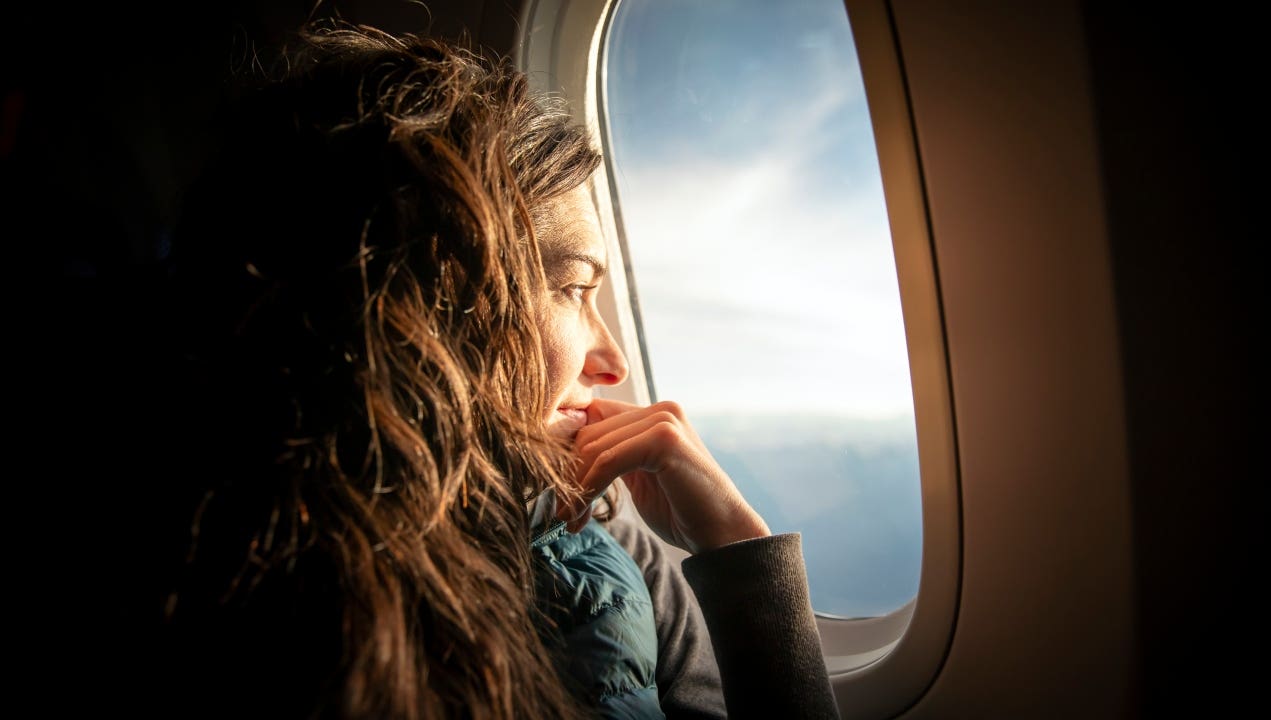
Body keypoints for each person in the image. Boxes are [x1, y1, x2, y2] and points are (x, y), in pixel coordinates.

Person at [143, 21, 838, 720]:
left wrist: (737, 546)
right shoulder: (247, 597)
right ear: (428, 307)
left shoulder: (606, 536)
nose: (613, 362)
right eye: (571, 288)